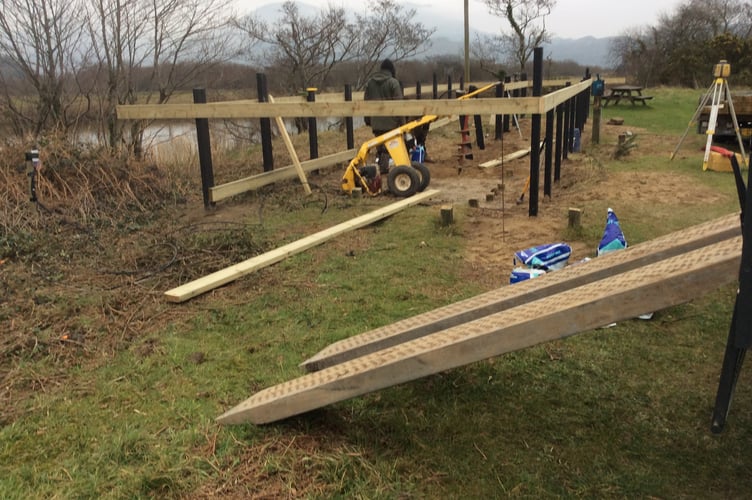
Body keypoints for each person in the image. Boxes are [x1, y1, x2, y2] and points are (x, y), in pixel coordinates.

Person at [364, 59, 403, 171]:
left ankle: (380, 165)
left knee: (380, 145)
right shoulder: (393, 82)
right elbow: (399, 105)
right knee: (389, 147)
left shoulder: (370, 83)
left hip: (376, 121)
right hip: (391, 122)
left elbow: (366, 103)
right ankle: (384, 168)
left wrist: (368, 120)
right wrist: (402, 123)